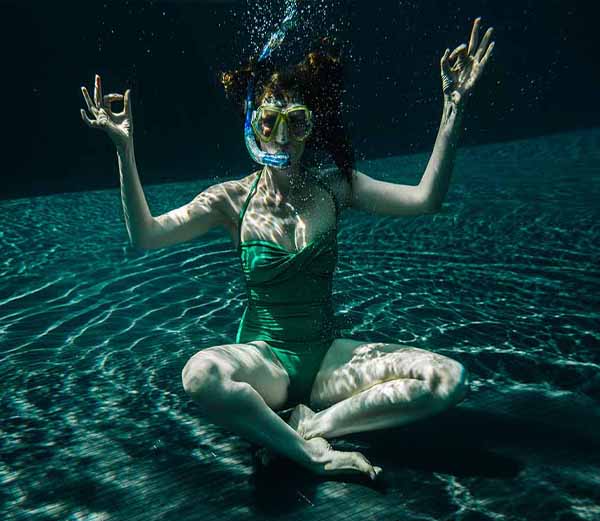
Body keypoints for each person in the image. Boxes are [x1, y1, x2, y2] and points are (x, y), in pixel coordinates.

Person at [80, 18, 495, 481]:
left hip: (328, 360)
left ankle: (313, 425)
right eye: (269, 121)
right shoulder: (231, 199)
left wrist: (453, 106)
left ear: (310, 127)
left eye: (295, 121)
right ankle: (313, 455)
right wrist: (124, 148)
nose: (282, 135)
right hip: (265, 362)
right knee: (199, 373)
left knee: (448, 379)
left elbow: (425, 199)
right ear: (252, 127)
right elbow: (146, 235)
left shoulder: (336, 187)